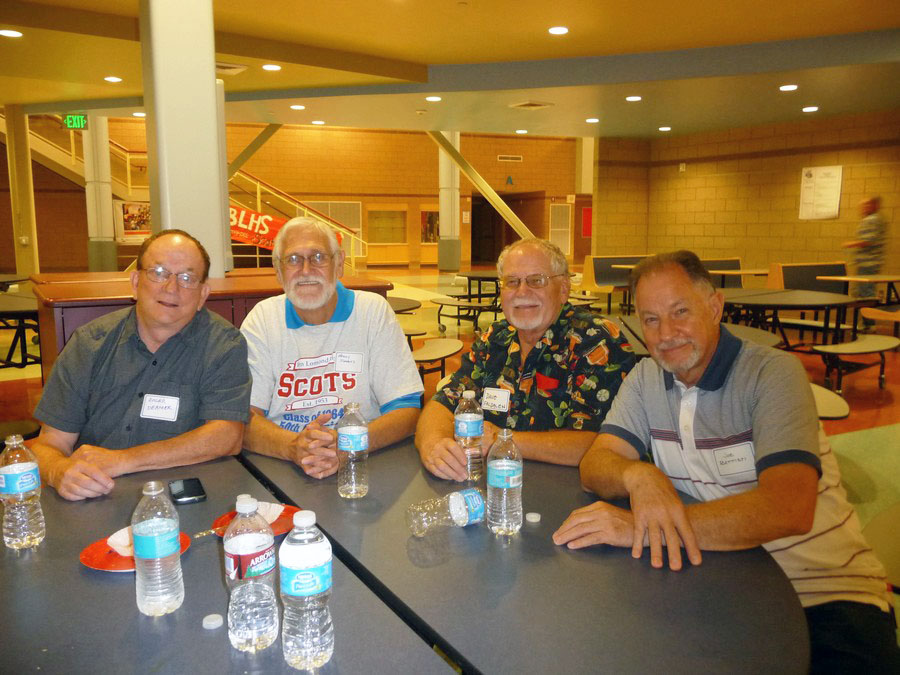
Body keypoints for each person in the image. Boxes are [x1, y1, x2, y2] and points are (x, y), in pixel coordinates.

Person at [553, 250, 898, 672]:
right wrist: (638, 474)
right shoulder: (646, 379)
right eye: (651, 319)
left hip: (823, 595)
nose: (666, 334)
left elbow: (788, 508)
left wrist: (637, 527)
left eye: (680, 312)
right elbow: (596, 464)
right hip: (717, 583)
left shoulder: (772, 374)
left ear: (715, 307)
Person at [32, 230, 252, 501]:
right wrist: (58, 471)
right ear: (135, 282)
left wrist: (123, 460)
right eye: (158, 273)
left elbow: (227, 435)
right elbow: (50, 443)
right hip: (97, 495)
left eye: (187, 278)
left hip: (187, 496)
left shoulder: (224, 345)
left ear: (203, 295)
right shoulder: (90, 344)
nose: (171, 288)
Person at [416, 238, 636, 480]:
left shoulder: (597, 340)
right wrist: (434, 445)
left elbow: (601, 445)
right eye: (512, 281)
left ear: (563, 289)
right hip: (494, 487)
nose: (522, 292)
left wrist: (502, 440)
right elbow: (443, 402)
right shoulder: (495, 338)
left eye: (536, 280)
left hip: (569, 490)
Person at [240, 217, 423, 478]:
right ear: (278, 271)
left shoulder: (372, 312)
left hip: (362, 463)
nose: (305, 270)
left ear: (339, 264)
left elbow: (406, 409)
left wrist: (348, 444)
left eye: (318, 257)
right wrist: (294, 447)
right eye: (293, 259)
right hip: (282, 465)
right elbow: (243, 419)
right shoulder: (262, 319)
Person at [842, 196, 888, 301]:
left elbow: (867, 241)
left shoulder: (871, 220)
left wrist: (850, 244)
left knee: (865, 293)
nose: (863, 208)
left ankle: (869, 311)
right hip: (871, 262)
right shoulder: (878, 219)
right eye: (862, 206)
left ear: (874, 206)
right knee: (861, 291)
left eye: (866, 205)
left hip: (868, 263)